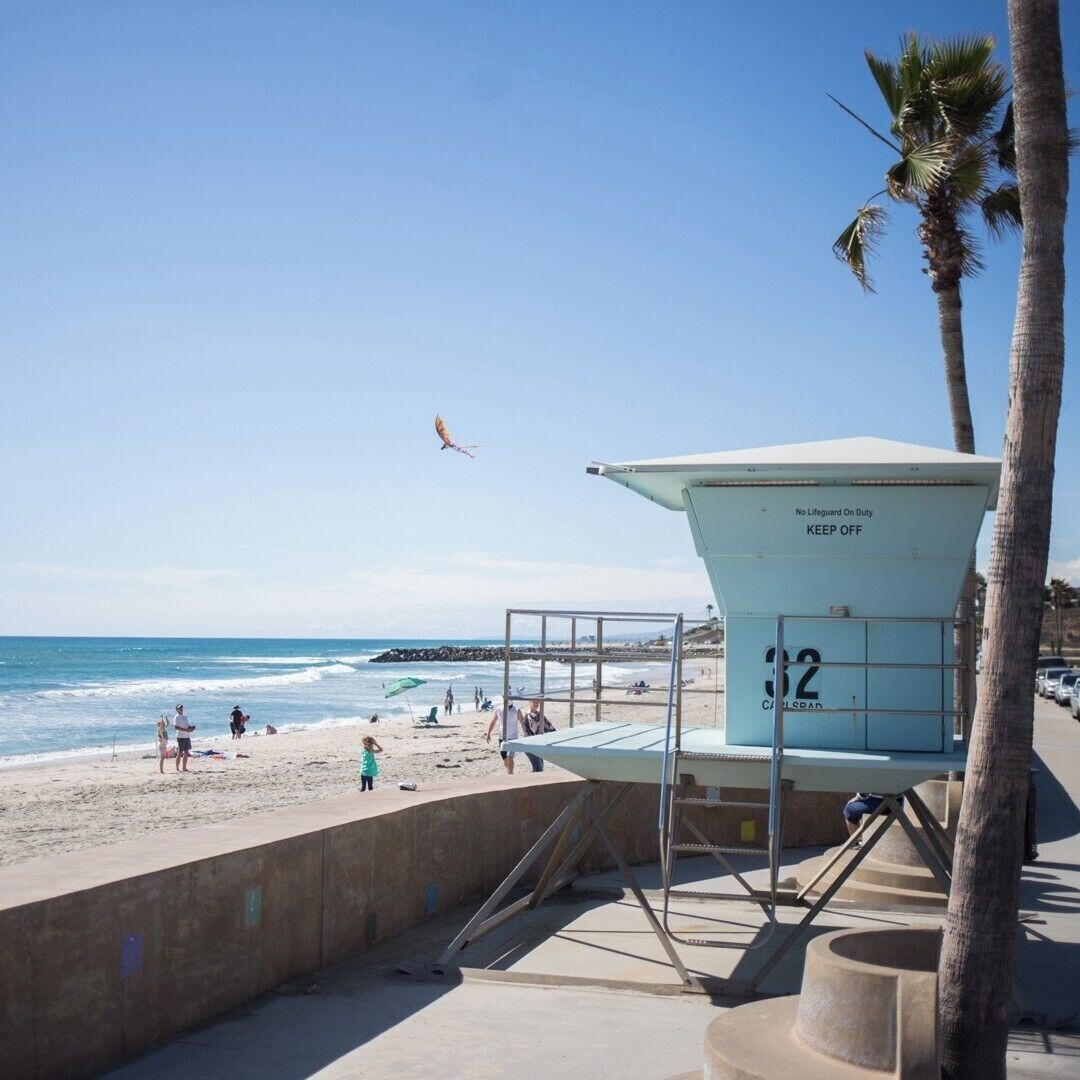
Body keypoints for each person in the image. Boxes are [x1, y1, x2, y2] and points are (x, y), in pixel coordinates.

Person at [485, 695, 520, 775]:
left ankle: (510, 774)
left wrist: (526, 734)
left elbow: (522, 721)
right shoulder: (499, 709)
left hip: (513, 738)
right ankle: (510, 772)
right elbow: (493, 721)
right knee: (504, 758)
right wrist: (488, 733)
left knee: (509, 756)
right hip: (502, 737)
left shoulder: (516, 709)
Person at [520, 699, 555, 773]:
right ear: (529, 703)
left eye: (537, 702)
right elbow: (537, 731)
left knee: (539, 767)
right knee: (538, 768)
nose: (536, 704)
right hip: (530, 745)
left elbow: (549, 726)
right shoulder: (529, 715)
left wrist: (556, 735)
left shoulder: (539, 714)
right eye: (534, 702)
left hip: (536, 744)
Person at [173, 704, 194, 772]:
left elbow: (187, 726)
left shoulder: (185, 716)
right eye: (179, 708)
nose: (181, 709)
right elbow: (176, 727)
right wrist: (186, 730)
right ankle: (177, 768)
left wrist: (192, 728)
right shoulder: (176, 717)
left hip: (187, 736)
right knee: (180, 752)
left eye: (182, 708)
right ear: (177, 709)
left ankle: (184, 768)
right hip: (180, 736)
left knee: (186, 752)